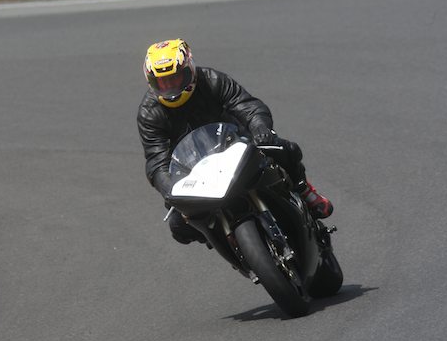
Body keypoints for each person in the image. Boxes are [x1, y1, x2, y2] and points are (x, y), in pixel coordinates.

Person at [137, 38, 333, 245]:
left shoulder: (212, 80)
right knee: (179, 226)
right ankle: (227, 241)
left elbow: (247, 106)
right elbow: (156, 159)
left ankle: (304, 189)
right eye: (162, 82)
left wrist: (260, 128)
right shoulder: (149, 113)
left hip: (236, 144)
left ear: (190, 70)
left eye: (175, 78)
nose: (170, 87)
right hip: (193, 169)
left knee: (283, 148)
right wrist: (169, 187)